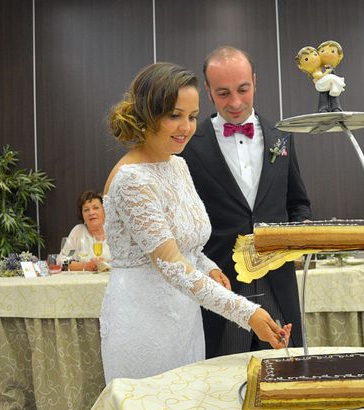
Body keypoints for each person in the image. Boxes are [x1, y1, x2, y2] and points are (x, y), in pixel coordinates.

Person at [100, 62, 291, 382]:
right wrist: (248, 313)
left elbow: (186, 246)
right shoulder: (131, 179)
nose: (186, 127)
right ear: (148, 114)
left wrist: (208, 266)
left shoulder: (178, 165)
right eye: (174, 115)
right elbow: (171, 263)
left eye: (191, 116)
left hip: (184, 317)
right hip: (142, 320)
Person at [183, 46, 312, 359]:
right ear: (208, 91)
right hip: (221, 282)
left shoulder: (281, 136)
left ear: (254, 81)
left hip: (277, 278)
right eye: (224, 93)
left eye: (243, 89)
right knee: (221, 374)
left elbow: (298, 202)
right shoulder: (189, 145)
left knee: (286, 366)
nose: (236, 102)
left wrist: (303, 236)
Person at [59, 191, 111, 271]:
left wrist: (107, 264)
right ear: (82, 215)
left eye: (96, 208)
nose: (91, 213)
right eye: (86, 210)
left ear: (104, 210)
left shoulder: (114, 231)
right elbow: (63, 261)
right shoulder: (78, 232)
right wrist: (85, 266)